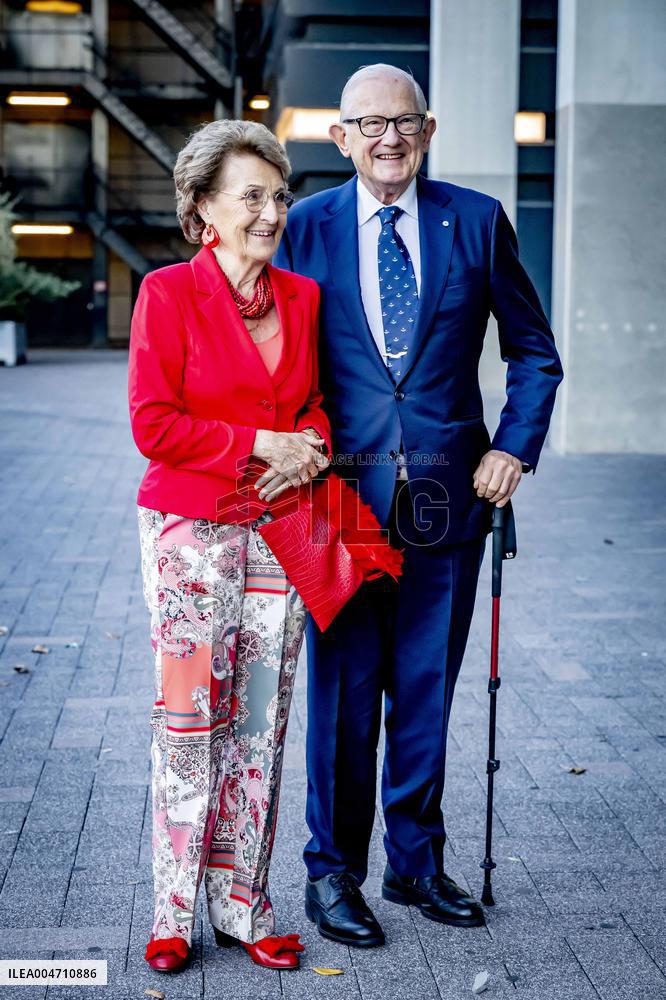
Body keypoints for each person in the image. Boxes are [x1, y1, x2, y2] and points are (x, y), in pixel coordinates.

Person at [274, 64, 563, 946]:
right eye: (370, 125)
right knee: (345, 699)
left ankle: (415, 864)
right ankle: (332, 876)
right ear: (341, 137)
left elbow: (533, 352)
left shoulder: (474, 220)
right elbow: (273, 356)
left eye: (404, 124)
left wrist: (513, 444)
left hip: (449, 492)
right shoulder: (307, 227)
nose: (389, 139)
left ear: (427, 131)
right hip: (342, 499)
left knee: (428, 689)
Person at [128, 119, 331, 973]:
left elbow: (315, 404)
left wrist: (309, 445)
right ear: (204, 206)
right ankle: (174, 910)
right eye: (251, 195)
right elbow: (152, 424)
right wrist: (260, 443)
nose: (271, 211)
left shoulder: (303, 299)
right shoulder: (168, 293)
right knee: (189, 723)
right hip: (188, 534)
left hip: (276, 532)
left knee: (258, 723)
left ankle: (243, 904)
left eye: (279, 195)